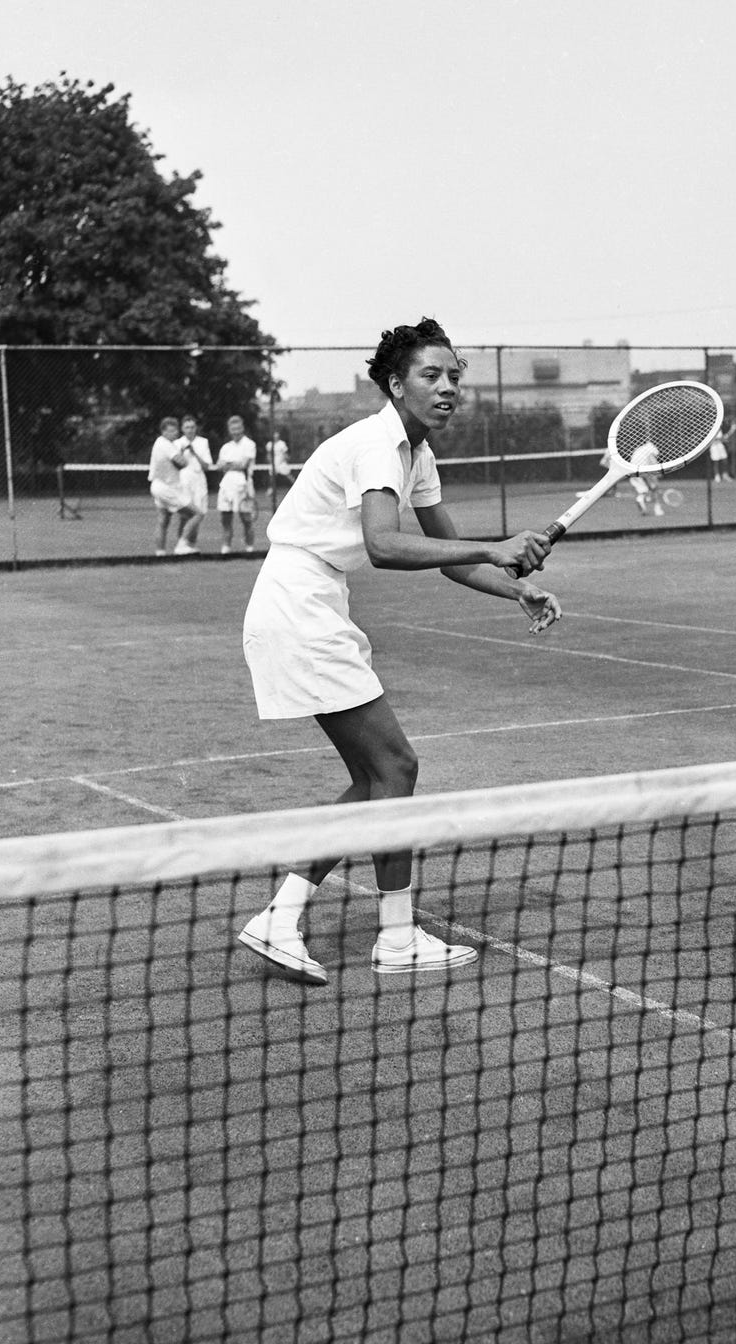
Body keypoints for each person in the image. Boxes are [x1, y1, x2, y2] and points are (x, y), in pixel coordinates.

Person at [239, 316, 561, 985]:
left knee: (378, 777)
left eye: (454, 377)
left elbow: (449, 560)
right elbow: (385, 546)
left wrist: (514, 590)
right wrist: (492, 545)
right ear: (395, 383)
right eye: (431, 375)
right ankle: (390, 934)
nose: (447, 388)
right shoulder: (377, 445)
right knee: (396, 767)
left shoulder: (417, 454)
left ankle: (296, 917)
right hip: (298, 607)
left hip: (311, 605)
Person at [147, 417, 197, 557]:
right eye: (171, 431)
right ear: (163, 431)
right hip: (166, 488)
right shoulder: (166, 444)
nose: (174, 433)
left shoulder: (162, 443)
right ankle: (182, 545)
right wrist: (184, 457)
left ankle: (160, 554)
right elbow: (182, 462)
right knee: (196, 513)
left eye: (175, 430)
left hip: (158, 486)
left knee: (163, 520)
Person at [217, 415, 258, 553]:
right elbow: (219, 466)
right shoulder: (225, 447)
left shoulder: (250, 444)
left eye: (238, 428)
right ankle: (226, 549)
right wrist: (231, 464)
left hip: (244, 486)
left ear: (243, 428)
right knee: (225, 519)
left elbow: (243, 465)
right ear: (229, 430)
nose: (236, 431)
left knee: (246, 520)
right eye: (233, 429)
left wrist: (227, 464)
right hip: (226, 486)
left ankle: (250, 549)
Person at [177, 414, 213, 548]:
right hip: (182, 482)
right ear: (182, 428)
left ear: (196, 427)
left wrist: (194, 452)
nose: (190, 430)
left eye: (192, 427)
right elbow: (174, 466)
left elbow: (207, 466)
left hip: (198, 482)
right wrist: (181, 452)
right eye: (187, 427)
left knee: (200, 513)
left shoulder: (203, 442)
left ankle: (191, 545)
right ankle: (181, 544)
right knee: (186, 515)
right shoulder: (177, 443)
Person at [266, 431, 295, 511]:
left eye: (277, 434)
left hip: (282, 463)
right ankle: (271, 489)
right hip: (274, 463)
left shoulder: (282, 443)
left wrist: (285, 459)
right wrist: (270, 461)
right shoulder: (269, 444)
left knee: (288, 475)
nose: (275, 436)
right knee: (272, 476)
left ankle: (295, 486)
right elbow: (269, 454)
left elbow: (285, 454)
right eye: (274, 434)